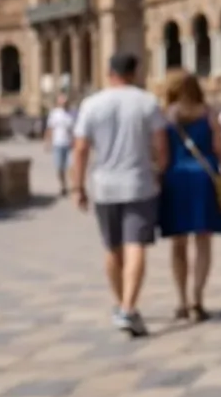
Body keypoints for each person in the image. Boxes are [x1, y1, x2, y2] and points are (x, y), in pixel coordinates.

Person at [70, 53, 167, 338]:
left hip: (104, 186)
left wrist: (78, 186)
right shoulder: (147, 102)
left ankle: (120, 304)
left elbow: (80, 149)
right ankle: (128, 307)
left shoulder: (91, 104)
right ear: (134, 72)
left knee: (112, 247)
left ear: (108, 72)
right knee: (135, 244)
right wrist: (159, 171)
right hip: (139, 182)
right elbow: (160, 145)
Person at [159, 71, 221, 323]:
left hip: (176, 179)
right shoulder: (208, 114)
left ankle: (180, 301)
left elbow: (162, 154)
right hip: (205, 179)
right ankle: (197, 299)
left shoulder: (165, 116)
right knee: (203, 241)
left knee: (178, 244)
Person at [44, 94, 76, 196]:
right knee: (59, 167)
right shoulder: (55, 114)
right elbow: (50, 128)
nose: (64, 104)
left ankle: (74, 186)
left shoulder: (73, 113)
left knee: (72, 166)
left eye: (65, 102)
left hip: (70, 144)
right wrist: (47, 142)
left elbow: (77, 130)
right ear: (58, 103)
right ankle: (63, 186)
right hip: (58, 143)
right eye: (62, 102)